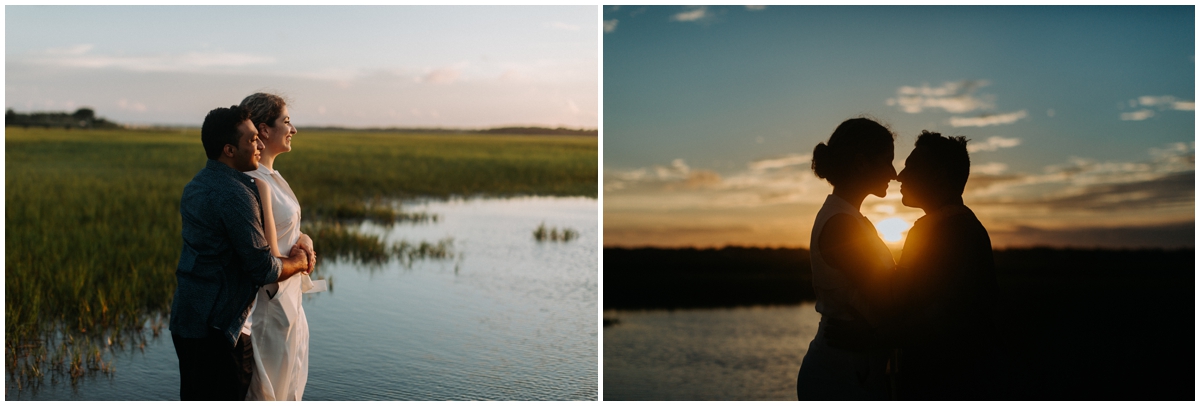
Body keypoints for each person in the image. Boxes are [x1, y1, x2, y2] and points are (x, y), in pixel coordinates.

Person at [170, 105, 312, 401]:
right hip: (220, 327)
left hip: (188, 318)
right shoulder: (236, 194)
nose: (259, 144)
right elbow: (264, 268)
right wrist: (300, 262)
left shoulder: (196, 184)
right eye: (251, 140)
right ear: (229, 150)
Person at [891, 130, 1001, 400]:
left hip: (941, 384)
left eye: (912, 167)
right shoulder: (958, 226)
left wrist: (872, 337)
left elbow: (942, 315)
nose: (900, 176)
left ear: (939, 175)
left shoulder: (944, 232)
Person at [795, 117, 898, 400]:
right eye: (887, 161)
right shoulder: (842, 225)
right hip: (839, 375)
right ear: (861, 162)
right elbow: (888, 299)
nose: (894, 173)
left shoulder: (850, 218)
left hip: (853, 369)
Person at [239, 92, 323, 401]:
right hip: (267, 305)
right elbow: (261, 253)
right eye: (286, 121)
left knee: (289, 387)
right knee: (267, 391)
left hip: (289, 302)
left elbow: (289, 227)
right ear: (264, 130)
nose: (294, 129)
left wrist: (304, 240)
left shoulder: (272, 175)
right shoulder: (251, 180)